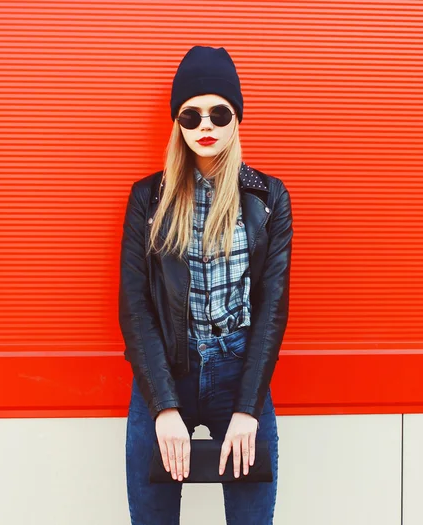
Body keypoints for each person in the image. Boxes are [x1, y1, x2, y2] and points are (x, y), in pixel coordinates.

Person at [119, 45, 293, 525]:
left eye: (219, 112)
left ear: (237, 119)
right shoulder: (147, 200)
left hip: (240, 370)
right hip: (166, 371)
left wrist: (248, 407)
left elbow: (272, 308)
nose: (206, 125)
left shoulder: (268, 198)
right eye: (191, 115)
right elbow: (135, 309)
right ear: (177, 124)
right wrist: (163, 408)